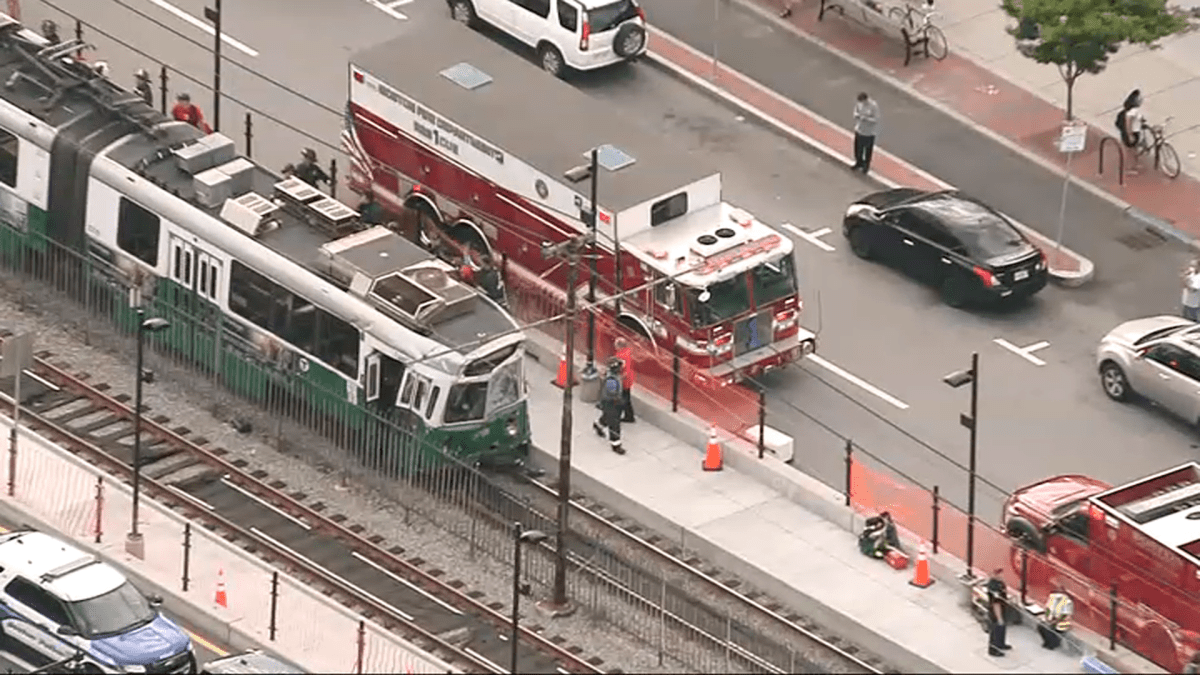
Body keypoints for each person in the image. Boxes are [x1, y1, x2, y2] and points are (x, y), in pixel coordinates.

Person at [593, 357, 626, 455]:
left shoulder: (613, 376)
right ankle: (616, 445)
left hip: (609, 402)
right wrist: (619, 400)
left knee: (607, 417)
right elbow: (612, 393)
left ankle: (598, 425)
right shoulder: (611, 379)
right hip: (611, 403)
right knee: (614, 424)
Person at [1116, 89, 1145, 171]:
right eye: (1139, 98)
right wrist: (1130, 135)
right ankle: (1129, 168)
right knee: (1130, 152)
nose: (1141, 100)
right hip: (1132, 133)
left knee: (1134, 150)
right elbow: (1128, 123)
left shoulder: (1133, 110)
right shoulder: (1132, 112)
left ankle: (1134, 165)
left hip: (1134, 132)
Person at [851, 92, 880, 174]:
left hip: (869, 132)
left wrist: (866, 119)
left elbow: (876, 119)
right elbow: (855, 112)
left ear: (866, 99)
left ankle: (866, 166)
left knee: (867, 150)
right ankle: (858, 162)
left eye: (862, 101)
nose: (861, 103)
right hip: (859, 129)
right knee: (858, 149)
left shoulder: (873, 106)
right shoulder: (859, 104)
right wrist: (857, 116)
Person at [1038, 584, 1073, 650]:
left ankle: (1054, 643)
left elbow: (1065, 615)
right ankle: (1047, 642)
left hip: (1061, 622)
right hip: (1052, 619)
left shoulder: (1067, 602)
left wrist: (1054, 622)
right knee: (1041, 626)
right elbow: (1047, 609)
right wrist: (1047, 618)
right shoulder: (1052, 598)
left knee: (1052, 628)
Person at [987, 569, 1013, 656]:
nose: (1001, 576)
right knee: (996, 630)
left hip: (1002, 609)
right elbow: (996, 603)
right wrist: (999, 618)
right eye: (999, 574)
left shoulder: (1000, 583)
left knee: (1002, 629)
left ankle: (1001, 644)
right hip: (996, 612)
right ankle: (994, 649)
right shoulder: (994, 587)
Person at [613, 337, 636, 423]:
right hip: (630, 378)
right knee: (627, 397)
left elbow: (621, 368)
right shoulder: (628, 352)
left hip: (624, 380)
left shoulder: (620, 356)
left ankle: (628, 415)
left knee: (624, 398)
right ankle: (629, 415)